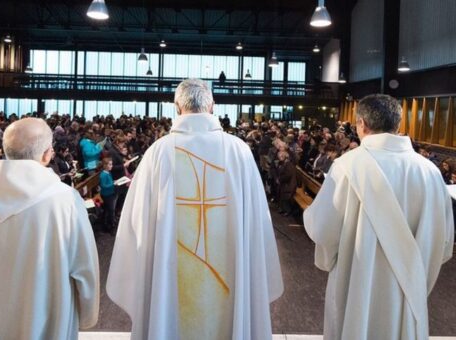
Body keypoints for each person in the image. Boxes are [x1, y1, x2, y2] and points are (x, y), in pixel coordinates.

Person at [107, 79, 283, 339]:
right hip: (230, 281)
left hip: (171, 283)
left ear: (177, 107)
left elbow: (136, 223)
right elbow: (258, 221)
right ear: (212, 106)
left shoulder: (158, 153)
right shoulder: (239, 152)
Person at [304, 94, 454, 340]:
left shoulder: (347, 166)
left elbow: (322, 229)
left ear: (361, 123)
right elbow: (444, 242)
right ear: (398, 123)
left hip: (356, 287)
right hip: (409, 292)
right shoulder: (429, 172)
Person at [0, 118, 99, 340]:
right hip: (44, 316)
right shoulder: (64, 200)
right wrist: (88, 313)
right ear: (48, 154)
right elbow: (83, 264)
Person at [99, 157, 116, 233]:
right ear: (105, 165)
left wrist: (113, 182)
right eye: (110, 164)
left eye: (111, 164)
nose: (111, 166)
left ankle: (108, 224)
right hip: (106, 194)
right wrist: (113, 183)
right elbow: (104, 185)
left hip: (110, 193)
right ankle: (110, 226)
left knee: (108, 210)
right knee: (110, 210)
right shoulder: (103, 175)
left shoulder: (108, 173)